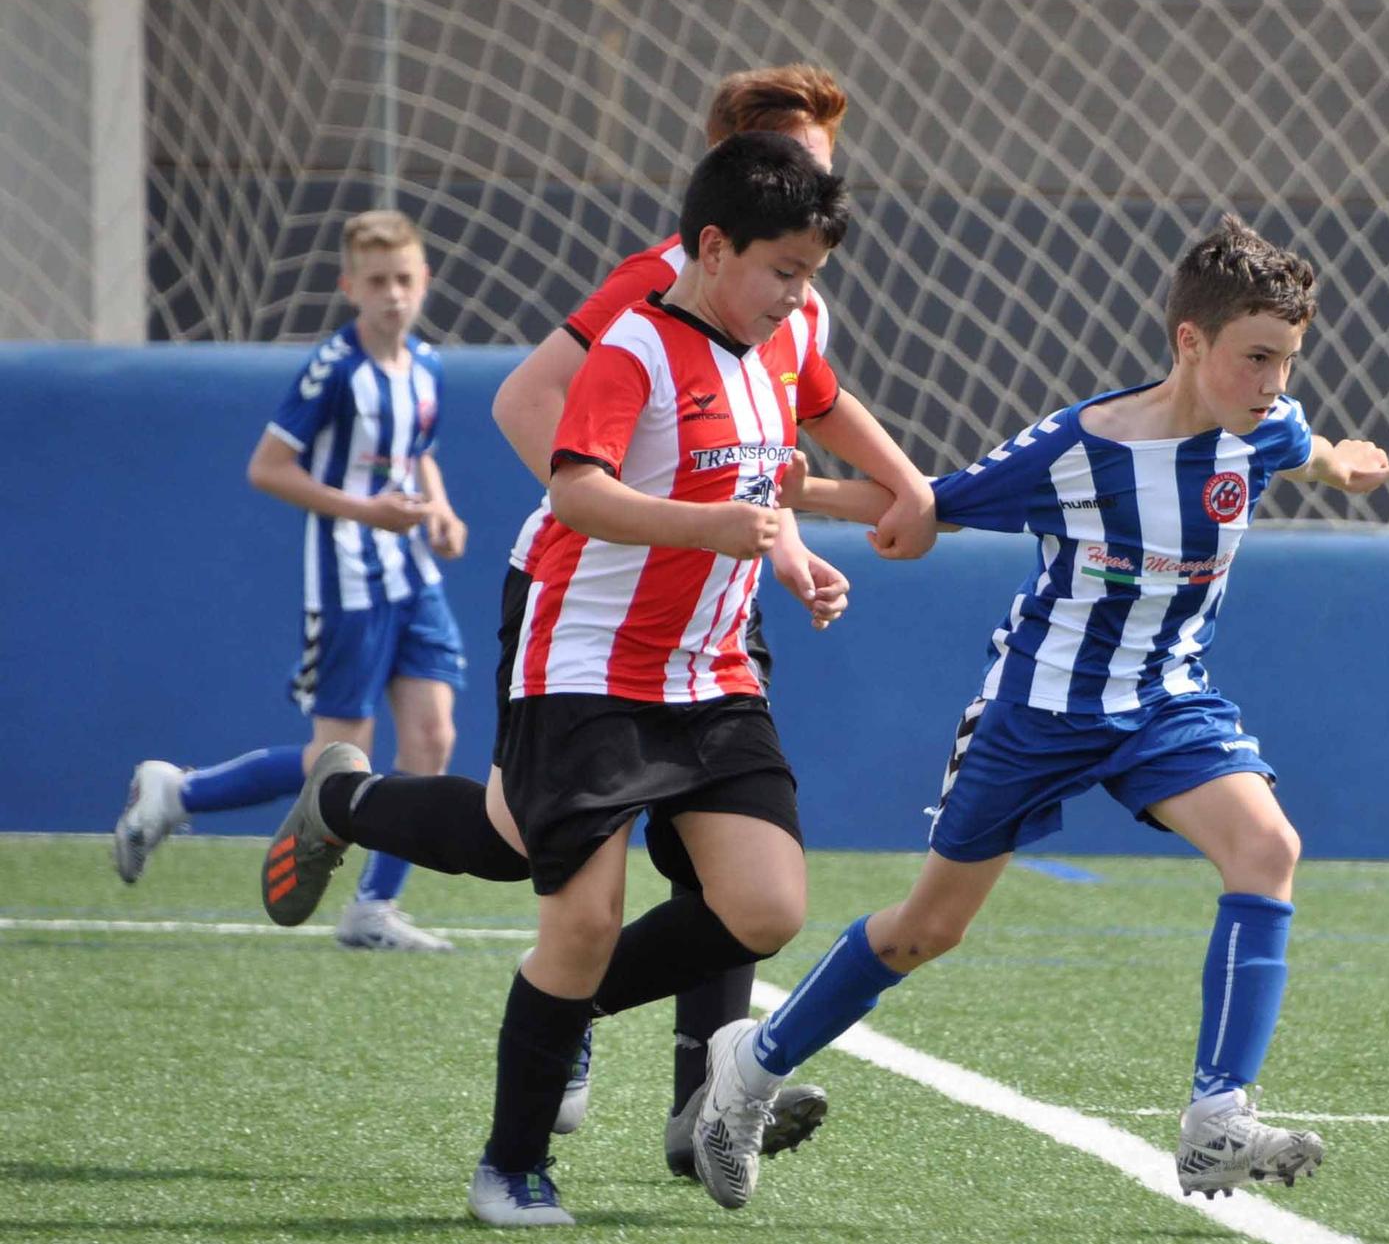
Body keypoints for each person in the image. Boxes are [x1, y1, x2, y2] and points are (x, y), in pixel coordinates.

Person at [257, 66, 934, 1172]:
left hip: (707, 611)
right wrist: (655, 521)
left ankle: (697, 1106)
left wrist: (867, 506)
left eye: (824, 162)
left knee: (730, 874)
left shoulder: (784, 297)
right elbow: (537, 415)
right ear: (731, 188)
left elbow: (786, 435)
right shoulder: (653, 298)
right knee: (527, 842)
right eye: (797, 159)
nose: (819, 177)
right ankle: (359, 811)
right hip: (592, 604)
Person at [690, 215, 1389, 1210]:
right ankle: (749, 1071)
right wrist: (801, 489)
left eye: (1286, 360)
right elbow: (925, 506)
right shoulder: (1077, 452)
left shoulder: (1263, 428)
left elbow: (1307, 447)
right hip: (1039, 709)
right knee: (925, 930)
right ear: (1188, 344)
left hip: (1163, 698)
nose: (1273, 383)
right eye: (1254, 359)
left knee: (1265, 850)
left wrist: (1343, 465)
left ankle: (1214, 1122)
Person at [114, 209, 468, 953]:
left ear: (425, 280)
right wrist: (366, 510)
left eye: (405, 279)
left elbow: (418, 455)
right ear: (350, 287)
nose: (394, 295)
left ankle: (373, 908)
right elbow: (267, 466)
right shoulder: (333, 368)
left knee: (432, 740)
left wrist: (438, 509)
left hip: (413, 577)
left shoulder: (428, 366)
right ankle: (178, 792)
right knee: (336, 759)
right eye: (378, 282)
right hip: (347, 580)